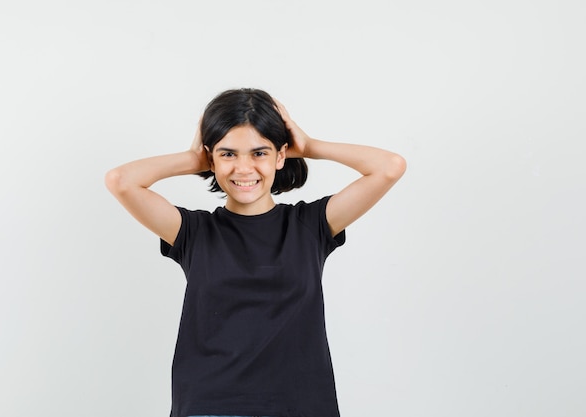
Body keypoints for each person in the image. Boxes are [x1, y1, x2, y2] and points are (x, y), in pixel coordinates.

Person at [105, 88, 406, 417]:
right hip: (212, 406)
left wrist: (308, 146)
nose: (244, 168)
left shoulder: (312, 225)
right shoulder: (193, 231)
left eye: (259, 153)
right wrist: (194, 159)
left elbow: (390, 167)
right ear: (212, 158)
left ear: (281, 156)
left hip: (302, 406)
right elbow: (120, 180)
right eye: (228, 154)